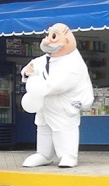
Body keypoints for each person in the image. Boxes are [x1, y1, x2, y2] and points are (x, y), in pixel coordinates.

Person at [20, 23, 94, 168]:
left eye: (53, 37)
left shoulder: (73, 63)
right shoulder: (43, 59)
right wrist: (26, 72)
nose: (47, 40)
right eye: (48, 36)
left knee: (64, 129)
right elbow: (30, 68)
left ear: (66, 40)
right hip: (44, 104)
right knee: (43, 127)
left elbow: (61, 84)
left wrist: (42, 86)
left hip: (63, 105)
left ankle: (68, 155)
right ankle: (43, 154)